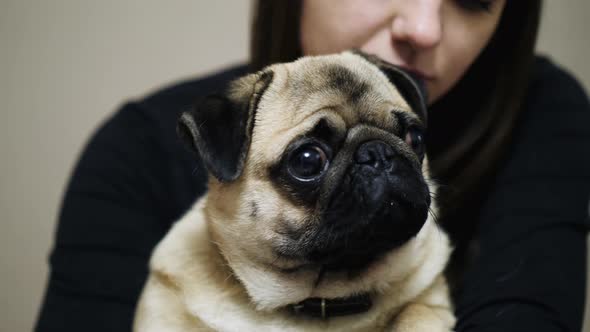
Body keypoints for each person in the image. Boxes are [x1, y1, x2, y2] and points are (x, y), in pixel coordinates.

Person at [35, 0, 590, 331]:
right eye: (307, 160)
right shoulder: (137, 150)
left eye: (406, 138)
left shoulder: (547, 113)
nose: (423, 27)